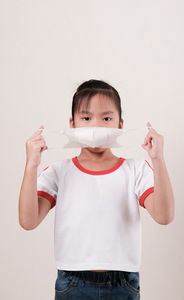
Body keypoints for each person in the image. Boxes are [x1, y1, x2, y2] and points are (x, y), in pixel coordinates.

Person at [18, 79, 175, 299]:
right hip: (72, 283)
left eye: (106, 118)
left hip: (123, 283)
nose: (96, 126)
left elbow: (164, 216)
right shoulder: (58, 171)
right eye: (86, 118)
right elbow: (28, 221)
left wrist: (158, 160)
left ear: (120, 125)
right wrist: (31, 166)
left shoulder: (136, 169)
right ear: (72, 125)